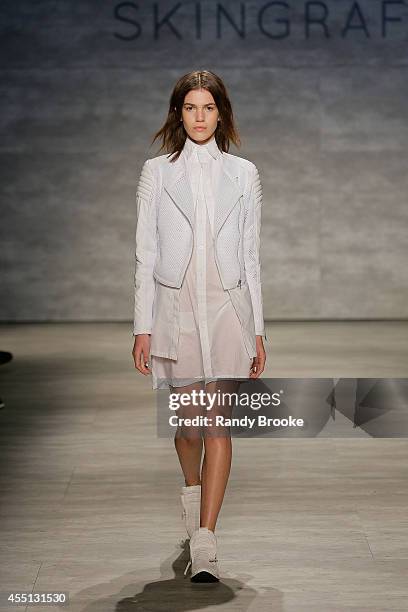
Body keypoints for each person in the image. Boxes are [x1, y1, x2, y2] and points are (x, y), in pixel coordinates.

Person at [131, 70, 267, 582]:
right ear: (178, 114)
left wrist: (259, 329)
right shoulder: (157, 173)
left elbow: (251, 257)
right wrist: (141, 325)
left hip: (228, 309)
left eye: (209, 108)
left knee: (217, 425)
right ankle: (194, 504)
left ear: (222, 114)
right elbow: (145, 253)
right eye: (191, 108)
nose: (200, 117)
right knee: (187, 427)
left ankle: (206, 541)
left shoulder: (244, 173)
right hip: (176, 309)